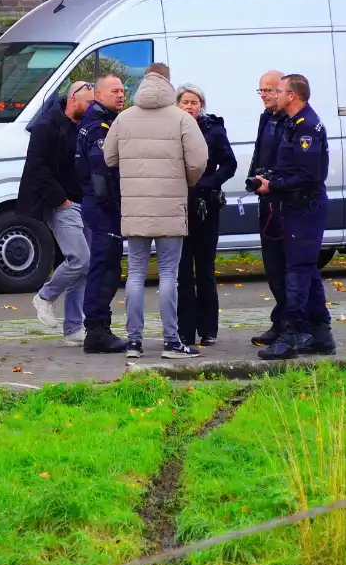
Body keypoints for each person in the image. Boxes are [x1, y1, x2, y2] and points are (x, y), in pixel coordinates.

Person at [103, 63, 209, 360]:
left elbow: (108, 157)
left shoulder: (124, 118)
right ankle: (171, 342)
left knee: (135, 275)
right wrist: (186, 179)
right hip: (170, 207)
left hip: (135, 208)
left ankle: (134, 342)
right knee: (168, 276)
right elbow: (199, 159)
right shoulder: (181, 119)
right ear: (168, 82)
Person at [251, 73, 336, 360]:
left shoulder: (306, 126)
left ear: (293, 95)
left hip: (305, 208)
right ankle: (321, 334)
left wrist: (273, 185)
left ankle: (292, 335)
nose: (275, 94)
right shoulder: (290, 122)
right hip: (292, 207)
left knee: (297, 272)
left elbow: (309, 175)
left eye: (281, 90)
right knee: (306, 270)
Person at [20, 80, 95, 346]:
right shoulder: (47, 127)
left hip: (85, 202)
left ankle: (74, 328)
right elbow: (37, 167)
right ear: (73, 99)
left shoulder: (85, 127)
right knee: (79, 258)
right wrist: (60, 199)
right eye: (88, 102)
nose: (91, 107)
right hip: (61, 203)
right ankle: (45, 296)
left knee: (83, 269)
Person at [173, 83, 237, 348]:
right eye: (185, 102)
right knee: (182, 271)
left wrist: (209, 182)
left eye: (194, 102)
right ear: (177, 105)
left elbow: (230, 164)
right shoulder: (170, 129)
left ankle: (208, 329)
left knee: (206, 269)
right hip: (178, 207)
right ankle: (185, 329)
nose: (189, 107)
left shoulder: (214, 129)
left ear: (202, 106)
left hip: (206, 207)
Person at [75, 73, 129, 354]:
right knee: (105, 267)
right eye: (114, 91)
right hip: (102, 207)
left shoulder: (99, 121)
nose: (121, 95)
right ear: (98, 95)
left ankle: (98, 328)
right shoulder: (99, 126)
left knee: (107, 266)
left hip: (99, 205)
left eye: (122, 90)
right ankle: (96, 330)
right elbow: (101, 172)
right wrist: (112, 205)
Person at [249, 70, 289, 347]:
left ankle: (291, 324)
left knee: (288, 267)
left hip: (285, 200)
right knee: (272, 266)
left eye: (269, 90)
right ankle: (280, 320)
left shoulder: (292, 122)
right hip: (266, 199)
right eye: (261, 90)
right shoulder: (267, 118)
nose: (264, 95)